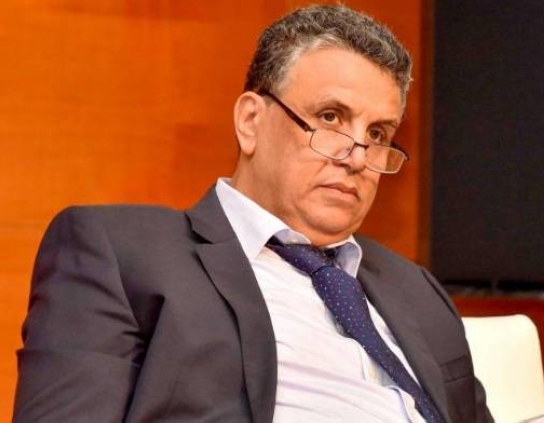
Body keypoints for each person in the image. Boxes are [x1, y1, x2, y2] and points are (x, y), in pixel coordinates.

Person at [14, 5, 492, 423]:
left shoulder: (416, 289)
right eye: (330, 118)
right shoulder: (121, 252)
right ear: (250, 122)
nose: (356, 156)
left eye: (378, 134)